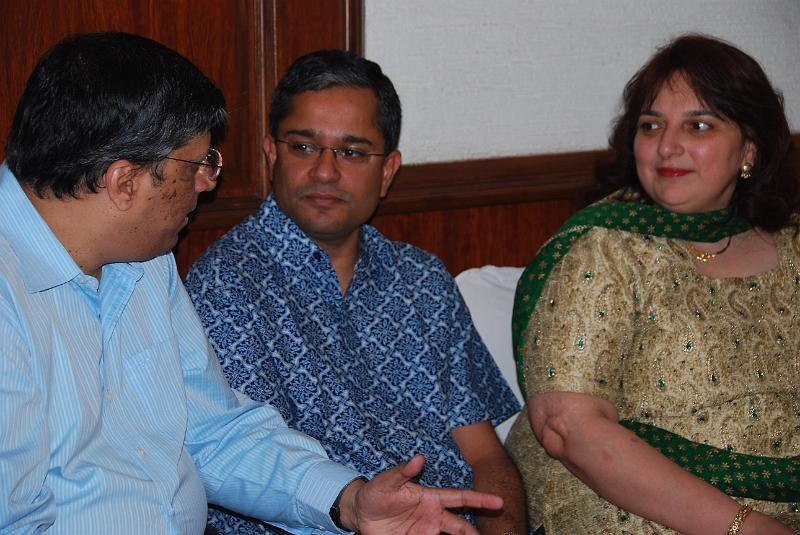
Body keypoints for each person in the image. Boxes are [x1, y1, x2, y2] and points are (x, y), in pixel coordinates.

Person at [0, 32, 504, 534]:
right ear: (125, 182)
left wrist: (348, 502)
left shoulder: (142, 261)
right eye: (197, 164)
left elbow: (213, 433)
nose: (208, 182)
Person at [185, 50, 526, 535]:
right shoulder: (226, 285)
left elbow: (485, 454)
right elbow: (243, 472)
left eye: (351, 152)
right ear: (271, 153)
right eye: (304, 147)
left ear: (387, 170)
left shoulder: (422, 279)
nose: (325, 172)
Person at [505, 33, 800, 535]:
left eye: (699, 125)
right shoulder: (604, 248)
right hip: (630, 508)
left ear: (749, 147)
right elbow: (567, 429)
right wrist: (746, 528)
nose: (667, 146)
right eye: (651, 125)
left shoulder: (791, 246)